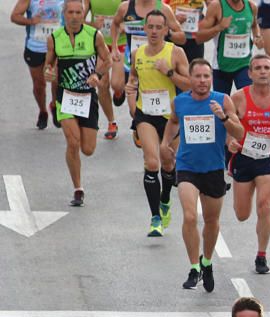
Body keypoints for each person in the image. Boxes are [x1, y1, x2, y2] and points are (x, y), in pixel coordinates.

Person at [162, 57, 244, 290]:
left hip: (214, 168)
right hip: (187, 167)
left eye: (206, 76)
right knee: (189, 216)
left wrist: (223, 117)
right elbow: (173, 122)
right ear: (190, 78)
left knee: (211, 221)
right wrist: (165, 143)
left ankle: (206, 261)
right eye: (197, 76)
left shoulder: (222, 100)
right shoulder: (180, 101)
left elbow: (238, 132)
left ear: (211, 78)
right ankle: (193, 268)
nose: (202, 80)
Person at [228, 53, 270, 275]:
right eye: (257, 68)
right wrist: (230, 141)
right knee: (242, 214)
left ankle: (261, 255)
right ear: (250, 73)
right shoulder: (238, 98)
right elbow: (228, 125)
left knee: (264, 206)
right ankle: (245, 212)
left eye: (267, 68)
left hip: (268, 158)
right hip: (243, 157)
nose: (262, 71)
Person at [125, 8, 189, 235]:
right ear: (144, 28)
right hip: (146, 116)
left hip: (171, 117)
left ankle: (165, 200)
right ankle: (155, 219)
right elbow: (132, 81)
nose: (153, 31)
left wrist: (169, 73)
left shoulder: (175, 53)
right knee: (152, 163)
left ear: (166, 30)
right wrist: (132, 106)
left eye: (158, 27)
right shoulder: (138, 54)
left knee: (169, 163)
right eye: (149, 27)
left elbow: (190, 86)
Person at [44, 0, 111, 207]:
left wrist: (96, 75)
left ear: (83, 14)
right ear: (64, 14)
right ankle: (78, 188)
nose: (74, 16)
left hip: (87, 98)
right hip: (66, 97)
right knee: (73, 142)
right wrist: (48, 72)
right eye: (70, 12)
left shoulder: (94, 36)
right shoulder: (54, 38)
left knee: (88, 149)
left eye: (78, 12)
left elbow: (107, 60)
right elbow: (48, 63)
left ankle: (78, 178)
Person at [11, 0, 63, 130]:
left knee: (57, 80)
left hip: (59, 46)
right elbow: (15, 16)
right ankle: (43, 111)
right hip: (35, 47)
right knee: (39, 85)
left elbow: (76, 14)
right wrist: (30, 21)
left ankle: (55, 106)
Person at [199, 0, 261, 95]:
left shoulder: (251, 6)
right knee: (222, 105)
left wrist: (257, 36)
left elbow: (254, 25)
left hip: (244, 64)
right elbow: (200, 36)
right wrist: (219, 27)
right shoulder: (217, 6)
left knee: (248, 99)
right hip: (221, 66)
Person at [85, 0, 125, 138]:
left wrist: (126, 24)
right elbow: (79, 20)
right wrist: (93, 25)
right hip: (99, 44)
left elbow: (134, 12)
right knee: (102, 84)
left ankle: (120, 90)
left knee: (116, 84)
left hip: (120, 43)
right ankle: (111, 122)